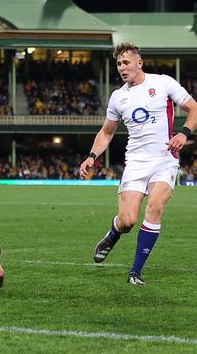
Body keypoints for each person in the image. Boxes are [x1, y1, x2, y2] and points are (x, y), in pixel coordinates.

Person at [80, 42, 197, 286]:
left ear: (139, 63)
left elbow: (193, 107)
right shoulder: (118, 97)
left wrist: (183, 133)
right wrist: (92, 156)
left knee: (154, 206)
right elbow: (107, 132)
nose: (122, 68)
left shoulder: (162, 82)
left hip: (165, 160)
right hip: (135, 163)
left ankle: (135, 272)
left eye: (126, 62)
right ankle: (113, 234)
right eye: (119, 64)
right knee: (128, 220)